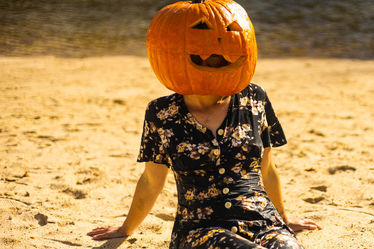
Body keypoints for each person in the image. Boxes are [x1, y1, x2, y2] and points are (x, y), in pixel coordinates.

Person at [87, 83, 322, 248]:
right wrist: (126, 229)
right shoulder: (161, 113)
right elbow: (151, 180)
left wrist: (283, 218)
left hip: (263, 221)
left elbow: (267, 168)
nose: (213, 60)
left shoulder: (255, 97)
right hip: (200, 229)